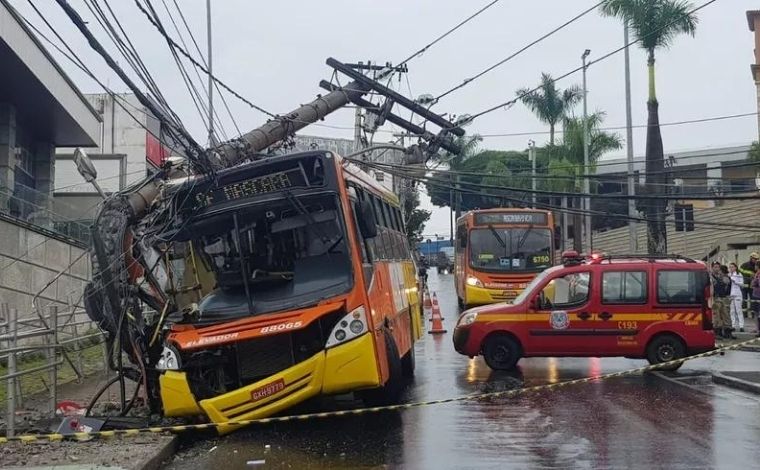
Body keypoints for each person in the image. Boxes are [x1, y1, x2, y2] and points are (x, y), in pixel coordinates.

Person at [711, 262, 734, 339]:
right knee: (716, 316)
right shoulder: (710, 277)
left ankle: (727, 332)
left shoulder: (722, 276)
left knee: (726, 314)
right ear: (712, 268)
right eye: (715, 267)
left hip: (723, 297)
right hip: (715, 298)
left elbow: (727, 284)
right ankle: (717, 332)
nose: (717, 269)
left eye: (718, 267)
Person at [739, 252, 759, 317]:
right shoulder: (744, 265)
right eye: (754, 259)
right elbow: (739, 275)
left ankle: (753, 315)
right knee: (744, 300)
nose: (756, 260)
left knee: (752, 300)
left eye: (757, 259)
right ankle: (745, 315)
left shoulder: (757, 266)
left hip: (752, 287)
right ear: (751, 258)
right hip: (744, 286)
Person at [729, 263, 745, 332]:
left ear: (735, 267)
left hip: (737, 294)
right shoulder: (729, 275)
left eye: (732, 267)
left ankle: (741, 326)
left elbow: (742, 284)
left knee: (739, 310)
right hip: (731, 294)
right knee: (732, 311)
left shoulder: (739, 274)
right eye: (730, 267)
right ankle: (733, 325)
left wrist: (735, 281)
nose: (731, 268)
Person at [751, 265, 760, 336]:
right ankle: (756, 328)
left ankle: (758, 330)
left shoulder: (758, 274)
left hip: (758, 295)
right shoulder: (756, 274)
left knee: (758, 314)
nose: (755, 267)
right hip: (755, 295)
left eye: (756, 265)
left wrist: (754, 281)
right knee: (756, 313)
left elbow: (756, 284)